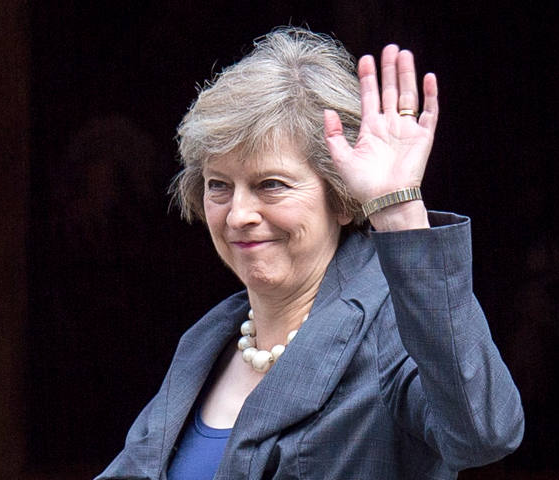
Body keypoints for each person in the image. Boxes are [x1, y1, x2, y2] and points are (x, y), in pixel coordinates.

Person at [96, 27, 524, 480]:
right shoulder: (208, 341)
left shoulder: (391, 334)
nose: (239, 213)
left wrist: (397, 209)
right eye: (219, 185)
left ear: (341, 199)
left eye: (271, 185)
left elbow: (484, 433)